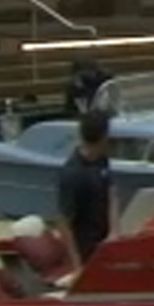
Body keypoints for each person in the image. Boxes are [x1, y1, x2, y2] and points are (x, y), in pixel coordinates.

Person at [55, 109, 115, 268]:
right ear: (102, 137)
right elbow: (63, 221)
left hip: (107, 241)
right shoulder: (72, 174)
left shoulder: (102, 159)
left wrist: (115, 231)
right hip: (87, 249)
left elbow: (111, 192)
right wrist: (77, 264)